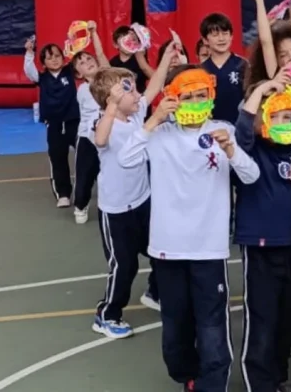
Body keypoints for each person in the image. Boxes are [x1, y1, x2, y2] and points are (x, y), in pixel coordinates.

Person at [118, 64, 260, 392]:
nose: (194, 102)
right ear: (172, 99)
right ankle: (187, 375)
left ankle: (212, 385)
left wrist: (231, 150)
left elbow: (251, 176)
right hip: (167, 248)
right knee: (176, 327)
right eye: (186, 96)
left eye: (201, 95)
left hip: (208, 249)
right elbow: (125, 161)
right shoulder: (158, 135)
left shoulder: (222, 129)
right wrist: (153, 121)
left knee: (212, 327)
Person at [234, 73, 291, 392]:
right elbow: (242, 130)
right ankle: (259, 382)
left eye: (288, 117)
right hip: (261, 245)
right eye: (275, 116)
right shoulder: (251, 150)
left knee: (287, 318)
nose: (283, 123)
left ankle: (278, 376)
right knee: (262, 318)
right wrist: (265, 89)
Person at [89, 63, 167, 337]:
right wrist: (110, 107)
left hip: (142, 201)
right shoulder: (102, 123)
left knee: (160, 250)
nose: (138, 95)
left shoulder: (135, 116)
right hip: (116, 211)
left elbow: (155, 86)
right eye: (129, 91)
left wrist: (167, 57)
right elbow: (100, 140)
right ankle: (107, 314)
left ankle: (155, 292)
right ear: (111, 100)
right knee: (125, 265)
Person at [24, 39, 79, 207]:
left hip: (74, 121)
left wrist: (75, 42)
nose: (54, 60)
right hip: (54, 125)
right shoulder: (41, 78)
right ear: (44, 63)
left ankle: (91, 185)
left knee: (87, 156)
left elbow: (80, 60)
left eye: (57, 56)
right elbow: (29, 70)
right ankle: (63, 194)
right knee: (57, 159)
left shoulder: (70, 72)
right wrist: (29, 53)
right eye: (49, 58)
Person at [70, 23, 110, 224]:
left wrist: (94, 33)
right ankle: (80, 206)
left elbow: (102, 56)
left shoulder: (109, 79)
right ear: (79, 74)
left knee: (110, 173)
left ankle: (110, 205)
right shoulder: (83, 90)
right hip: (88, 138)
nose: (88, 62)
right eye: (82, 63)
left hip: (111, 136)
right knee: (85, 175)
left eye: (89, 58)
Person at [198, 12, 248, 124]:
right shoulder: (201, 70)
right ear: (205, 40)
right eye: (215, 35)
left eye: (225, 33)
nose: (221, 39)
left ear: (231, 36)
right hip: (210, 127)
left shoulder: (243, 64)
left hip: (238, 127)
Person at [112, 24, 154, 92]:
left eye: (131, 39)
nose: (128, 41)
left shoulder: (139, 59)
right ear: (116, 45)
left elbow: (154, 78)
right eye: (123, 38)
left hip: (141, 99)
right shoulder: (113, 63)